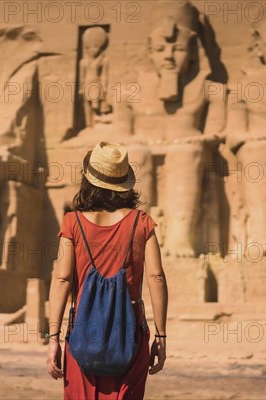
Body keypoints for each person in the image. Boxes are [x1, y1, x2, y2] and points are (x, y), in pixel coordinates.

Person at [47, 141, 169, 400]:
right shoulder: (142, 222)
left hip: (82, 334)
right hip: (130, 335)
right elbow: (156, 277)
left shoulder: (72, 222)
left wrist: (53, 338)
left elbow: (62, 279)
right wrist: (161, 335)